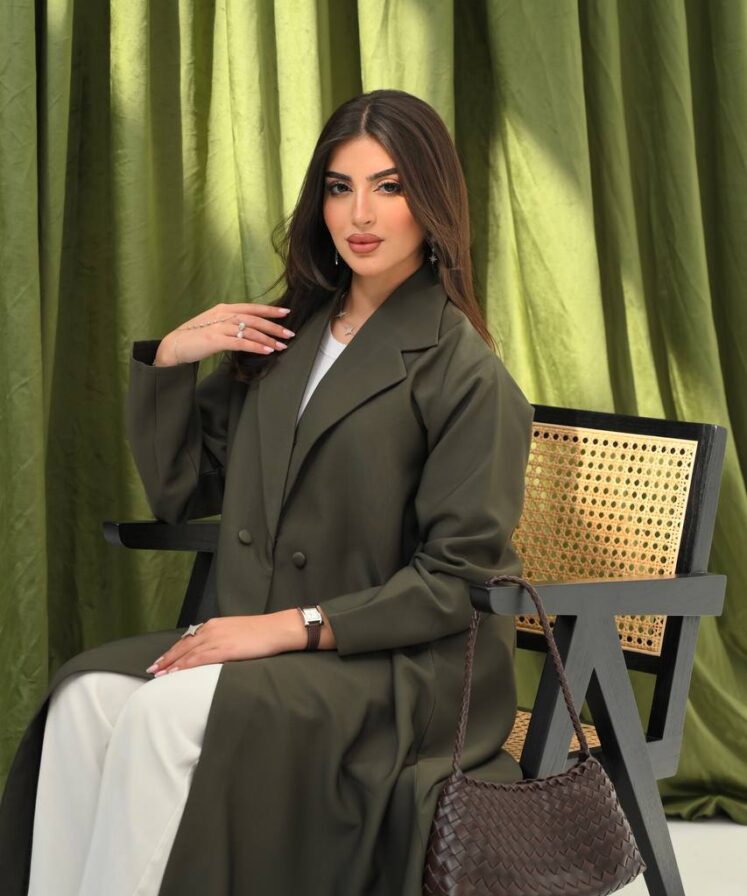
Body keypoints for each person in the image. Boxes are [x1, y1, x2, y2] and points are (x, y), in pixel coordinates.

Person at [0, 88, 534, 895]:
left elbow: (455, 582)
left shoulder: (466, 375)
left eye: (389, 187)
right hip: (267, 637)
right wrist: (171, 363)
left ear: (432, 204)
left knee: (158, 716)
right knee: (85, 697)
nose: (360, 213)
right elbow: (185, 491)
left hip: (396, 670)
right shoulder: (289, 334)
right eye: (339, 187)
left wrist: (286, 628)